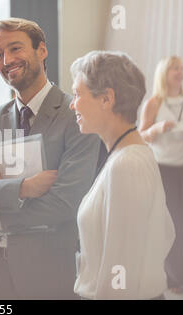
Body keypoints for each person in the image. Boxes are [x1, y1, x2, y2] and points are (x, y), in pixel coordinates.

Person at [0, 18, 100, 299]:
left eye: (15, 49)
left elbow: (65, 203)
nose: (6, 60)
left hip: (49, 273)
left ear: (42, 51)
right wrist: (24, 188)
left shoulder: (76, 117)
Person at [70, 51, 175, 299]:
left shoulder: (126, 164)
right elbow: (167, 231)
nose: (72, 104)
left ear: (106, 99)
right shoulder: (131, 155)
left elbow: (120, 274)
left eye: (77, 94)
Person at [139, 56, 183, 291]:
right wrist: (158, 128)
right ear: (164, 72)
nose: (180, 72)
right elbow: (141, 135)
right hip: (162, 169)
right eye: (175, 68)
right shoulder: (154, 103)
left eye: (181, 68)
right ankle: (171, 279)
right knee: (169, 223)